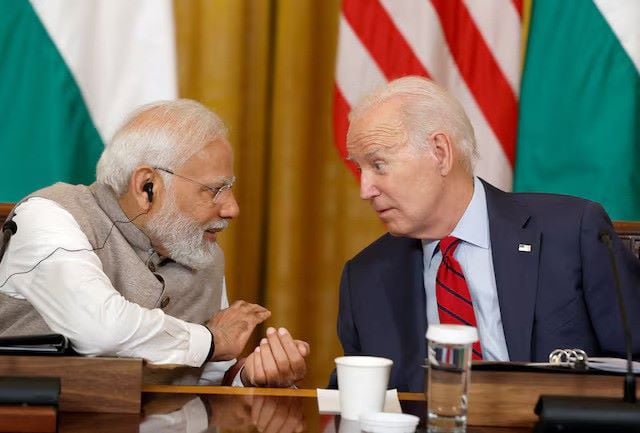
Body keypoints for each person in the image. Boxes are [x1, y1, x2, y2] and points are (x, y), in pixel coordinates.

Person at [331, 76, 640, 392]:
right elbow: (357, 399)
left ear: (440, 152)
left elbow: (634, 361)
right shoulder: (366, 278)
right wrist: (287, 382)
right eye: (360, 170)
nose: (365, 190)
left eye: (378, 165)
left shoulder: (572, 233)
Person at [0, 100, 308, 387]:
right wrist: (211, 339)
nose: (232, 209)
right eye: (214, 190)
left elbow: (209, 372)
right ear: (147, 186)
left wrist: (249, 376)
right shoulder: (49, 216)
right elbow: (101, 329)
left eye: (229, 188)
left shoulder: (199, 248)